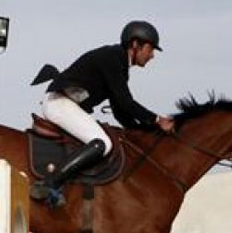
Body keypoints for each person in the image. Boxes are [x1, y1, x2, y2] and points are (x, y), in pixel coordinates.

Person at [30, 20, 175, 207]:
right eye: (150, 48)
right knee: (102, 143)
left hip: (65, 104)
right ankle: (49, 184)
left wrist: (142, 132)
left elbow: (120, 110)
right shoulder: (113, 58)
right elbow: (125, 102)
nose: (152, 55)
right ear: (135, 44)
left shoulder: (119, 63)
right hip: (59, 103)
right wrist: (156, 120)